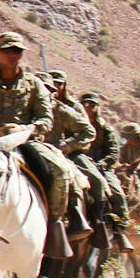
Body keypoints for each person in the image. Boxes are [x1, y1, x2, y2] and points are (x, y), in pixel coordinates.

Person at [0, 33, 75, 258]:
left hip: (24, 140)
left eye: (17, 51)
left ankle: (54, 224)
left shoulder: (34, 84)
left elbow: (46, 119)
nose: (12, 55)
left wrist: (27, 130)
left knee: (62, 172)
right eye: (7, 51)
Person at [46, 73, 129, 251]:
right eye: (52, 84)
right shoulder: (36, 99)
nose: (88, 106)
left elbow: (87, 134)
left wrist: (66, 146)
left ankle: (105, 226)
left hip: (73, 152)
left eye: (58, 84)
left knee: (100, 183)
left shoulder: (73, 108)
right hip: (42, 148)